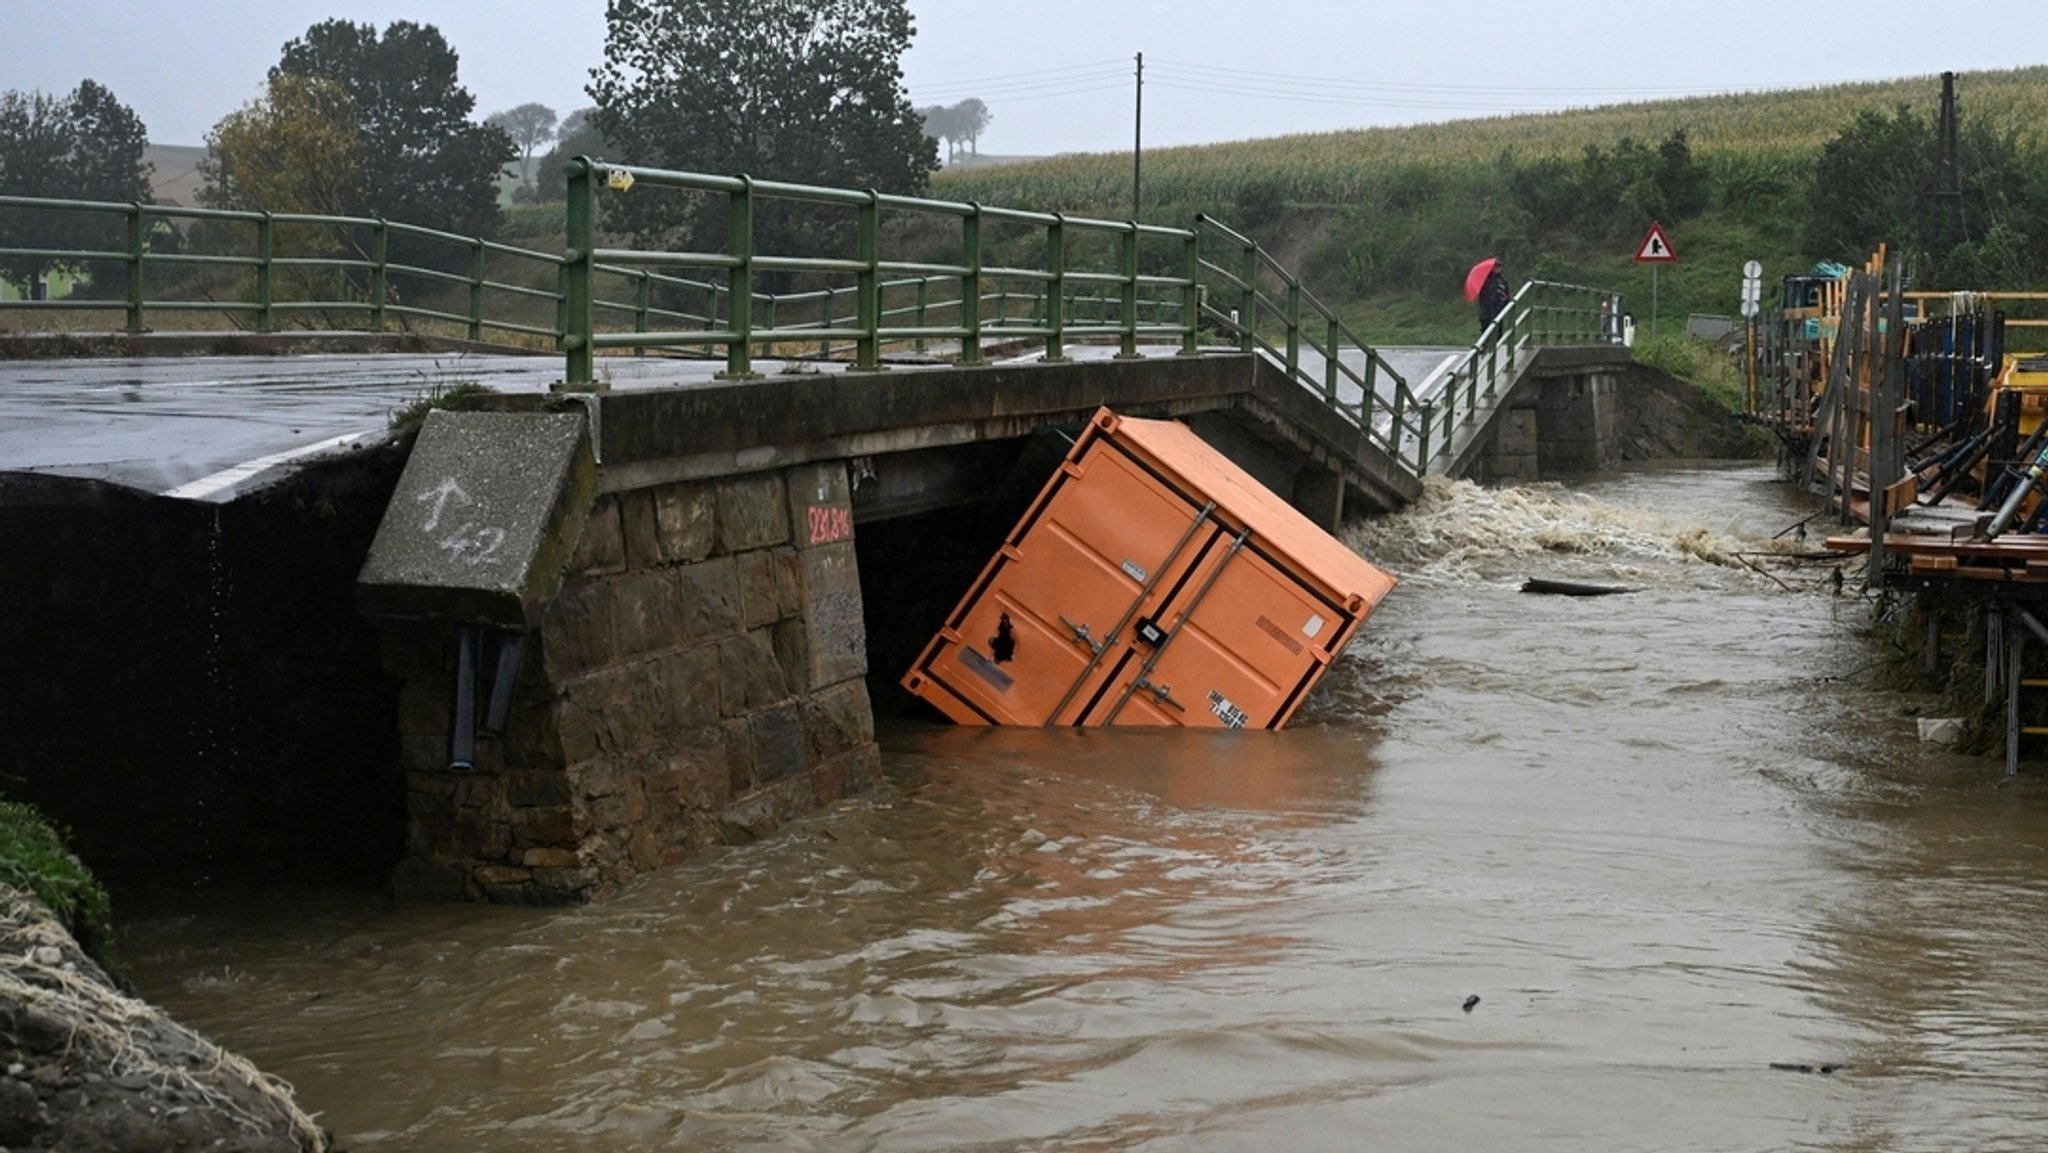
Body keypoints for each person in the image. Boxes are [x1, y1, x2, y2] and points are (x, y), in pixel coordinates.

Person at [1476, 264, 1510, 334]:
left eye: (1499, 267)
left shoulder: (1503, 281)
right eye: (1495, 267)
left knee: (1498, 332)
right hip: (1486, 312)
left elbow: (1506, 294)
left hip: (1498, 310)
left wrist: (1505, 303)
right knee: (1486, 332)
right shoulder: (1485, 280)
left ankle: (1497, 342)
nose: (1497, 269)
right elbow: (1482, 295)